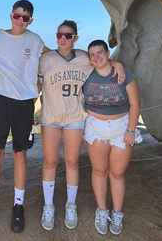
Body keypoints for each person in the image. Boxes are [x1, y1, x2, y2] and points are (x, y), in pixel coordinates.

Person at [38, 21, 125, 232]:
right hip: (51, 116)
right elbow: (36, 85)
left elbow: (102, 60)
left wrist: (118, 64)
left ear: (75, 38)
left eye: (68, 36)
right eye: (60, 35)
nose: (63, 39)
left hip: (75, 117)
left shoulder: (84, 58)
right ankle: (48, 206)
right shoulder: (46, 59)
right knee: (50, 162)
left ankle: (71, 205)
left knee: (72, 161)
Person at [0, 0, 47, 233]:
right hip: (0, 101)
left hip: (25, 104)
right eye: (16, 16)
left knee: (20, 155)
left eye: (24, 18)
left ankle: (18, 206)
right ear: (10, 16)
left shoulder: (35, 40)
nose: (20, 21)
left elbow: (51, 57)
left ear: (30, 20)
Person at [83, 39, 140, 236]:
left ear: (108, 53)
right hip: (95, 128)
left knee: (117, 173)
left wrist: (131, 130)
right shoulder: (86, 74)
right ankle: (102, 210)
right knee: (99, 171)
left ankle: (117, 213)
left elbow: (134, 104)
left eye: (100, 53)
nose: (96, 57)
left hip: (122, 128)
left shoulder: (124, 75)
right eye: (92, 54)